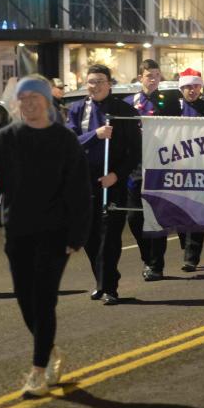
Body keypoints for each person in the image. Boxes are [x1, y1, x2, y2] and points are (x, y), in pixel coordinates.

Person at [0, 76, 92, 398]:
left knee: (44, 297)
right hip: (18, 230)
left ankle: (38, 371)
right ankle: (49, 350)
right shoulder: (5, 139)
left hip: (55, 232)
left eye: (35, 98)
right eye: (23, 99)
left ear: (46, 102)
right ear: (18, 103)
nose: (30, 103)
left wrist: (78, 234)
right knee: (25, 299)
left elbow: (80, 190)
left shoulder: (64, 141)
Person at [66, 64, 140, 305]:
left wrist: (117, 175)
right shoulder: (77, 109)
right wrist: (95, 135)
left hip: (112, 181)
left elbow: (134, 151)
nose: (94, 86)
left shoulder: (123, 111)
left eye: (99, 81)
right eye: (90, 82)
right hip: (84, 181)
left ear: (109, 84)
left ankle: (110, 287)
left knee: (109, 236)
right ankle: (103, 278)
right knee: (89, 237)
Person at [126, 59, 177, 282]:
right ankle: (147, 256)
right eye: (149, 75)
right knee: (134, 217)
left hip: (160, 165)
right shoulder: (129, 103)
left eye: (157, 75)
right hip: (136, 166)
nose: (154, 79)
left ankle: (156, 265)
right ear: (140, 78)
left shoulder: (170, 102)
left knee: (157, 217)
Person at [168, 69, 204, 272]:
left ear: (200, 87)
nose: (191, 90)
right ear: (181, 89)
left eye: (195, 86)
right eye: (187, 87)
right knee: (179, 211)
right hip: (178, 165)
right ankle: (186, 246)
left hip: (201, 165)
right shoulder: (172, 108)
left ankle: (191, 257)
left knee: (196, 210)